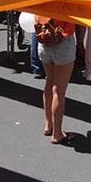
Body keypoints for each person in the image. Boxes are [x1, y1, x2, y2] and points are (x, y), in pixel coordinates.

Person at [34, 15, 77, 145]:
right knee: (59, 90)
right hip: (63, 40)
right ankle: (57, 133)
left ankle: (48, 124)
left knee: (49, 81)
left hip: (44, 37)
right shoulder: (67, 1)